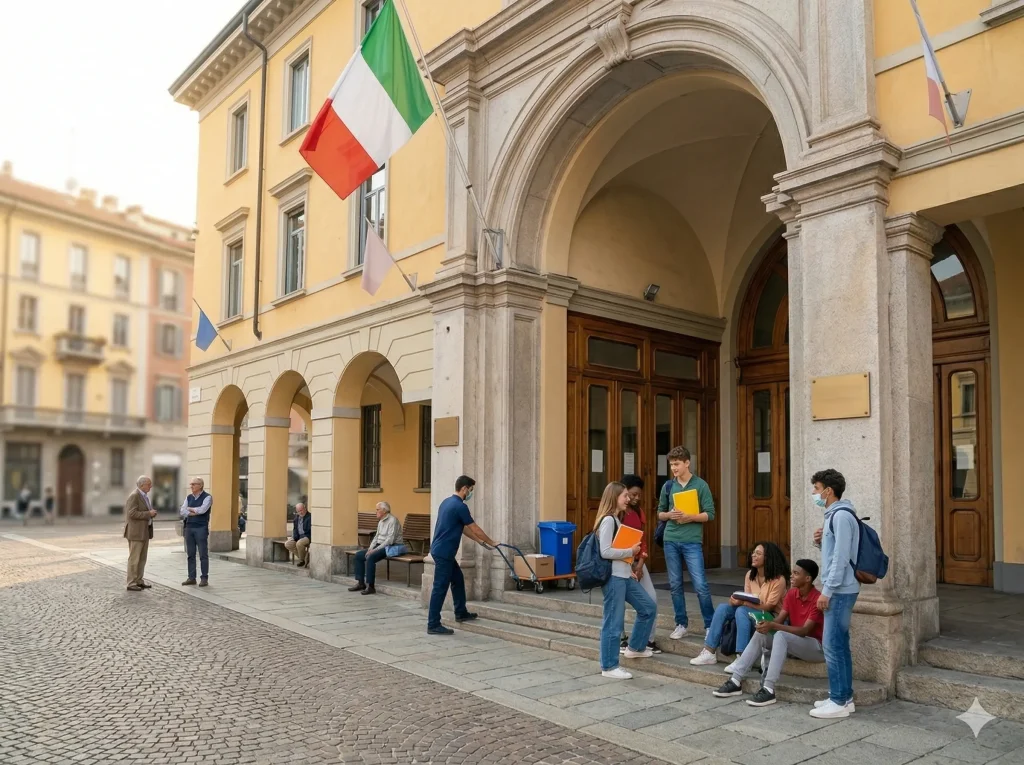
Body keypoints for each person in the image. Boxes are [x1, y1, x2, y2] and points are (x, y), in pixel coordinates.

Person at [712, 559, 824, 706]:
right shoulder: (792, 594)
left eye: (796, 574)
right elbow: (780, 619)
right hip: (794, 642)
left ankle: (768, 689)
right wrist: (766, 625)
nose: (791, 576)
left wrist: (774, 626)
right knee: (761, 634)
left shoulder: (817, 598)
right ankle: (735, 680)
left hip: (815, 647)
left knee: (781, 635)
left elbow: (804, 631)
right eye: (792, 572)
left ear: (808, 578)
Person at [808, 468, 860, 719]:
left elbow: (841, 558)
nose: (814, 493)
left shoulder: (840, 516)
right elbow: (834, 553)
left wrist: (826, 591)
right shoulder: (835, 516)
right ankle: (844, 697)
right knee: (839, 644)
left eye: (817, 489)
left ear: (828, 491)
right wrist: (820, 541)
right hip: (840, 588)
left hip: (840, 590)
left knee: (832, 645)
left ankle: (839, 701)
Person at [596, 481, 657, 680]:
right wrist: (630, 551)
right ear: (615, 498)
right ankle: (609, 666)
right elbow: (605, 552)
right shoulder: (608, 520)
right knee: (613, 623)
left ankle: (636, 648)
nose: (628, 499)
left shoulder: (617, 518)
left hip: (624, 574)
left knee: (648, 607)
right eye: (625, 495)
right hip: (614, 578)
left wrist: (629, 566)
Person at [691, 541, 788, 666]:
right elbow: (748, 598)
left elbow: (769, 606)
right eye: (753, 553)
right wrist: (734, 601)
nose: (753, 555)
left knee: (742, 611)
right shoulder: (750, 575)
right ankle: (709, 651)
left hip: (773, 617)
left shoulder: (779, 580)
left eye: (758, 553)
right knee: (723, 608)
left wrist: (743, 603)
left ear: (768, 558)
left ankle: (742, 658)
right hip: (753, 612)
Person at [658, 446, 716, 639]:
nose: (673, 468)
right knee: (675, 585)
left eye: (676, 464)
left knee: (700, 585)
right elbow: (660, 513)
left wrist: (690, 517)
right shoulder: (668, 486)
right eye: (671, 465)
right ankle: (681, 624)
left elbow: (710, 514)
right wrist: (669, 515)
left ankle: (710, 625)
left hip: (692, 541)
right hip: (670, 539)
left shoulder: (701, 485)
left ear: (687, 463)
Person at [426, 476, 497, 635]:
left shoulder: (446, 502)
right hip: (444, 553)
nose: (471, 493)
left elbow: (463, 527)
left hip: (441, 550)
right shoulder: (460, 506)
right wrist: (491, 542)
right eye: (471, 490)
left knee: (457, 579)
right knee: (440, 587)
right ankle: (433, 624)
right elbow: (474, 527)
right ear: (464, 488)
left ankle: (461, 612)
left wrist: (479, 541)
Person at [619, 475, 661, 655]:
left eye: (639, 495)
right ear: (624, 491)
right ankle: (621, 639)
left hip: (637, 562)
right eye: (633, 494)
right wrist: (629, 565)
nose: (636, 498)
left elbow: (642, 539)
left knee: (652, 599)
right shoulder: (618, 513)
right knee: (618, 602)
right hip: (620, 564)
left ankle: (648, 640)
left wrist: (641, 563)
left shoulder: (639, 512)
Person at [348, 502, 407, 594]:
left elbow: (390, 540)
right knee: (359, 555)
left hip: (391, 546)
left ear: (384, 510)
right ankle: (361, 583)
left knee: (371, 557)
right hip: (380, 545)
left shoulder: (393, 521)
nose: (376, 511)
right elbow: (376, 537)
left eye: (377, 509)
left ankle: (371, 586)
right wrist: (370, 548)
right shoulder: (381, 521)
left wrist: (375, 550)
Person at [123, 476, 157, 592]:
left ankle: (139, 580)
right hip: (136, 533)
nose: (151, 486)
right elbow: (132, 513)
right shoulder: (134, 496)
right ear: (142, 485)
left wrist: (151, 514)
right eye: (149, 484)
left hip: (145, 531)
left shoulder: (144, 496)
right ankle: (131, 583)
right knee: (134, 558)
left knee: (142, 558)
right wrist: (149, 513)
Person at [180, 477, 212, 587]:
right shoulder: (189, 497)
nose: (191, 486)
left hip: (201, 527)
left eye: (194, 484)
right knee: (190, 554)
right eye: (191, 484)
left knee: (203, 554)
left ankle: (204, 578)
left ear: (200, 485)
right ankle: (191, 577)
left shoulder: (207, 497)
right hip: (189, 527)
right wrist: (193, 512)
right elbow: (182, 511)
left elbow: (203, 510)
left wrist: (190, 509)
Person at [285, 503, 312, 568]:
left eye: (301, 510)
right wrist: (294, 537)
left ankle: (302, 560)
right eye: (298, 511)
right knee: (288, 544)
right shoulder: (296, 518)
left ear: (305, 508)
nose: (300, 512)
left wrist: (301, 537)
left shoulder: (310, 517)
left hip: (307, 536)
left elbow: (309, 530)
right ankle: (305, 557)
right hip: (298, 536)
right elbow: (295, 529)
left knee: (299, 543)